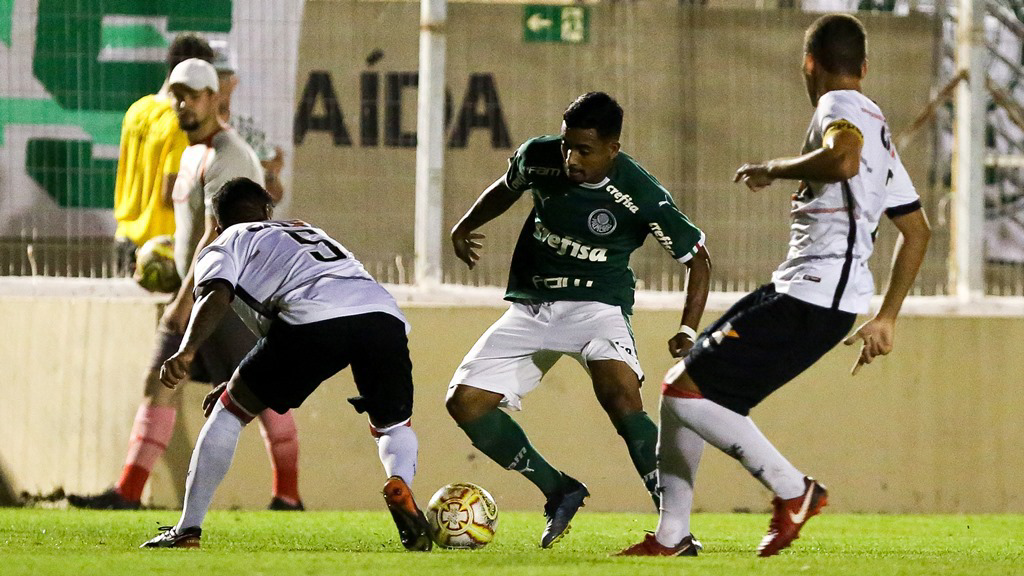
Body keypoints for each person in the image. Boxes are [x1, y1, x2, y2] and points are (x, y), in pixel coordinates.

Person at [618, 14, 931, 558]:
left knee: (685, 395)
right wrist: (886, 317)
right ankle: (672, 536)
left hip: (813, 295)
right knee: (679, 388)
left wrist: (774, 168)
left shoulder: (838, 107)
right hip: (806, 290)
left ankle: (794, 490)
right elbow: (918, 230)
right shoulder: (878, 127)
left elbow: (842, 157)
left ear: (808, 63)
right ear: (864, 66)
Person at [447, 92, 712, 548]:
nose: (571, 158)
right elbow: (506, 187)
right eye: (567, 145)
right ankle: (559, 490)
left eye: (584, 150)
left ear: (613, 148)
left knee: (621, 396)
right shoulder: (538, 156)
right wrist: (465, 225)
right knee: (465, 402)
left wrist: (688, 328)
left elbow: (698, 259)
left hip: (596, 307)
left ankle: (675, 527)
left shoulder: (641, 194)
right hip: (532, 306)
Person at [141, 177, 431, 551]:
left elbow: (216, 293)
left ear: (217, 222)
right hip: (382, 315)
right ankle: (400, 481)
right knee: (393, 425)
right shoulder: (309, 231)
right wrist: (241, 378)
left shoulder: (226, 242)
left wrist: (187, 349)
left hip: (314, 318)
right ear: (267, 211)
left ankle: (187, 530)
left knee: (229, 412)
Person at [68, 59, 306, 512]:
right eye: (177, 95)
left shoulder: (229, 155)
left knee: (262, 393)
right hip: (202, 291)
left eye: (193, 96)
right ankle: (129, 492)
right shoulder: (193, 152)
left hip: (228, 297)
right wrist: (165, 253)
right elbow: (192, 228)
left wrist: (182, 301)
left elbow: (217, 235)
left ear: (214, 98)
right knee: (163, 382)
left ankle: (288, 496)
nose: (183, 104)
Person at [112, 33, 212, 277]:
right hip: (158, 250)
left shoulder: (137, 110)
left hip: (124, 238)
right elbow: (171, 193)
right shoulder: (179, 124)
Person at [208, 40, 286, 204]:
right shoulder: (187, 129)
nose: (216, 85)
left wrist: (270, 175)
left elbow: (274, 195)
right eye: (211, 78)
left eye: (223, 77)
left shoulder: (249, 133)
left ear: (234, 82)